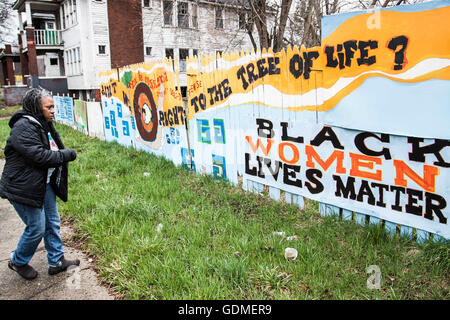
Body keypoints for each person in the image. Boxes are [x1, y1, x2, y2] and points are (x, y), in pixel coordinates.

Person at [0, 88, 80, 280]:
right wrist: (67, 155)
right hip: (23, 187)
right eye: (49, 107)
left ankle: (56, 261)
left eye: (53, 107)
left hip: (42, 184)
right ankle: (17, 260)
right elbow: (40, 156)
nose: (53, 111)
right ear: (37, 107)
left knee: (52, 222)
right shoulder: (23, 127)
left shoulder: (42, 123)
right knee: (37, 227)